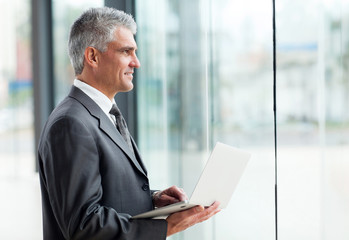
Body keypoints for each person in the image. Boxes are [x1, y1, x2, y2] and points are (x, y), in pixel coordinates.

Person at [37, 7, 221, 240]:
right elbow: (84, 225)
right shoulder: (70, 123)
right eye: (127, 51)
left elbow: (105, 193)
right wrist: (167, 227)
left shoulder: (103, 113)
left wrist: (153, 200)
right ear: (92, 57)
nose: (137, 62)